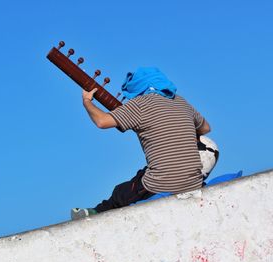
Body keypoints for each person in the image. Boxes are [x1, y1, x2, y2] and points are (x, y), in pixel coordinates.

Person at [71, 67, 211, 220]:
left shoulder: (140, 104)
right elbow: (206, 128)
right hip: (195, 183)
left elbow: (101, 121)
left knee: (121, 192)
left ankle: (93, 214)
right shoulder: (182, 102)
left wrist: (87, 101)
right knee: (143, 173)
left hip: (162, 185)